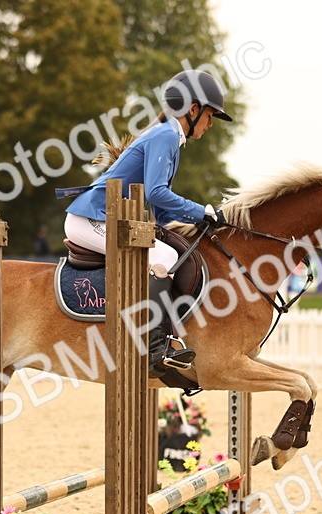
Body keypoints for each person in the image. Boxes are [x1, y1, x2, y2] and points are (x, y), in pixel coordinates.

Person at [61, 69, 232, 377]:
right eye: (209, 116)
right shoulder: (166, 135)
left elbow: (158, 206)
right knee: (164, 256)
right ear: (193, 109)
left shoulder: (170, 137)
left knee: (168, 250)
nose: (210, 125)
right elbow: (156, 192)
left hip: (102, 217)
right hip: (90, 219)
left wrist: (196, 223)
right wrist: (200, 211)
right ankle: (154, 347)